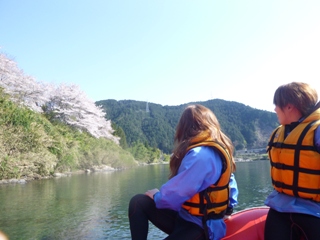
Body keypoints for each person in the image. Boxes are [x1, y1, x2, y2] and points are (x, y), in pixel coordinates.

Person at [128, 104, 238, 240]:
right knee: (138, 202)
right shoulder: (218, 151)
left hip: (200, 227)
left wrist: (157, 196)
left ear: (185, 128)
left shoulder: (200, 155)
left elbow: (178, 192)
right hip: (187, 219)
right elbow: (230, 184)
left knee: (140, 201)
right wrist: (228, 210)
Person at [264, 82, 320, 240]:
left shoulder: (317, 130)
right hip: (280, 209)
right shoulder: (278, 133)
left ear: (289, 106)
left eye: (277, 104)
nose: (275, 109)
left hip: (314, 210)